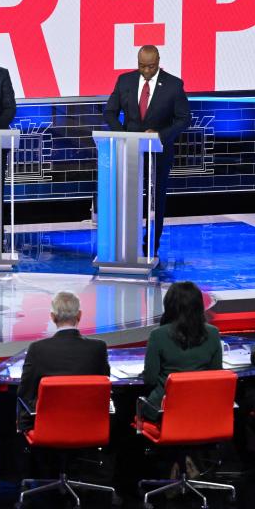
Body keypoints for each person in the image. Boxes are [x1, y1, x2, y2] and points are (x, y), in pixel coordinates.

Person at [102, 44, 190, 254]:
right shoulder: (125, 81)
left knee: (156, 199)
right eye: (142, 66)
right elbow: (110, 112)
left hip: (159, 152)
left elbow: (184, 119)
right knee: (126, 196)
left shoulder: (173, 85)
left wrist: (160, 135)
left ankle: (152, 245)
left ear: (158, 63)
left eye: (151, 66)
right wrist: (122, 135)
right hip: (129, 151)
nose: (147, 71)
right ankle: (125, 242)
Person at [16, 290, 110, 431]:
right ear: (79, 315)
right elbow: (105, 385)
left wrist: (25, 426)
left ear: (53, 317)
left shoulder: (37, 349)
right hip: (89, 427)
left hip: (48, 429)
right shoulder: (98, 348)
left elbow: (25, 393)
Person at [139, 280, 222, 422]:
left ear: (169, 305)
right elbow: (217, 374)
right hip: (202, 409)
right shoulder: (213, 333)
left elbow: (150, 379)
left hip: (163, 411)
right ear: (199, 305)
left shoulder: (158, 335)